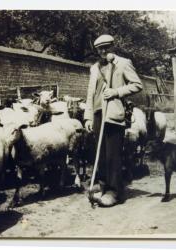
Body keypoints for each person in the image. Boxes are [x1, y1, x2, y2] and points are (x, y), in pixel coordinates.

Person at [84, 34, 143, 207]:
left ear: (112, 47)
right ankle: (103, 186)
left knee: (112, 155)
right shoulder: (94, 68)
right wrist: (88, 116)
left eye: (106, 47)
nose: (103, 51)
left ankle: (115, 192)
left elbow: (137, 84)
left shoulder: (123, 63)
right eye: (100, 48)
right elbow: (90, 93)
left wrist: (117, 92)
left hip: (113, 114)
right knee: (100, 155)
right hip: (97, 113)